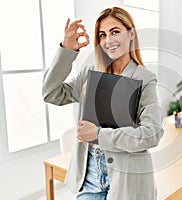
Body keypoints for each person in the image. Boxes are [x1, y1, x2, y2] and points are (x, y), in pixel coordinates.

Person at [43, 7, 164, 200]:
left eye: (115, 31)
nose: (109, 40)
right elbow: (51, 93)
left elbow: (152, 134)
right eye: (102, 34)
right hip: (89, 175)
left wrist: (99, 134)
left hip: (127, 179)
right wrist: (66, 49)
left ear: (131, 33)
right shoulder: (90, 72)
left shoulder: (144, 79)